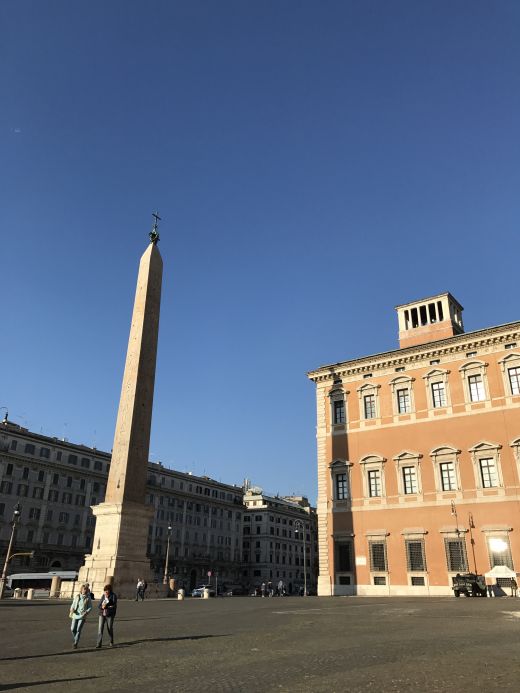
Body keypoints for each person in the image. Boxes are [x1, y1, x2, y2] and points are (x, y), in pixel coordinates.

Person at [69, 584, 92, 649]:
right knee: (72, 629)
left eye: (86, 589)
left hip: (82, 615)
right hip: (75, 614)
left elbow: (90, 607)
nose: (85, 590)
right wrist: (71, 609)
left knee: (78, 629)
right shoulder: (77, 596)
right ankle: (76, 638)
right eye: (84, 589)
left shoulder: (88, 597)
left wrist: (86, 612)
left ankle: (75, 643)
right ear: (81, 590)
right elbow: (73, 604)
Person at [96, 584, 117, 648]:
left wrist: (107, 606)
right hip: (102, 614)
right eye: (105, 591)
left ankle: (111, 641)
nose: (106, 592)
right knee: (100, 629)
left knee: (109, 628)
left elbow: (114, 606)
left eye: (107, 590)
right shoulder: (103, 596)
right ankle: (99, 643)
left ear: (110, 590)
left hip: (110, 614)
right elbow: (99, 605)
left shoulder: (113, 596)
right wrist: (102, 607)